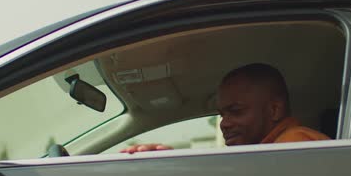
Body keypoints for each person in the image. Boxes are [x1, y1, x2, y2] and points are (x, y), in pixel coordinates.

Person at [120, 63, 329, 154]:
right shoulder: (269, 151)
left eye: (236, 111)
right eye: (222, 114)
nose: (224, 124)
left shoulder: (296, 143)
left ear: (274, 110)